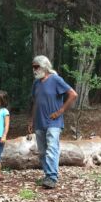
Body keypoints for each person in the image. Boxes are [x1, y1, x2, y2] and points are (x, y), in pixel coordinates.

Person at [28, 55, 78, 189]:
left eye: (36, 67)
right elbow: (35, 103)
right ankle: (47, 175)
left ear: (44, 66)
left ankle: (52, 177)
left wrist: (60, 111)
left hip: (53, 122)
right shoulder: (36, 83)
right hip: (39, 122)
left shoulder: (55, 79)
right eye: (33, 67)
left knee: (52, 149)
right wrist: (31, 121)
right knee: (43, 152)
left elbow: (73, 94)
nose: (34, 70)